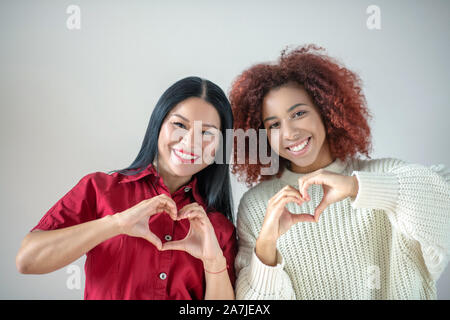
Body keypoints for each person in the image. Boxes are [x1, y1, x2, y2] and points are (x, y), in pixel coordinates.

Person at [230, 44, 450, 299]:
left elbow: (442, 209)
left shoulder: (385, 174)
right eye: (274, 125)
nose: (289, 133)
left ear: (326, 112)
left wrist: (357, 187)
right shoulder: (258, 206)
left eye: (299, 113)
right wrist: (266, 246)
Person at [16, 76, 237, 300]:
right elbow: (27, 260)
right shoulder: (100, 189)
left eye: (206, 133)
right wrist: (117, 223)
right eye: (179, 125)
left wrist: (213, 262)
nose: (190, 142)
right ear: (158, 124)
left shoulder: (219, 228)